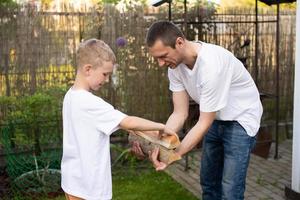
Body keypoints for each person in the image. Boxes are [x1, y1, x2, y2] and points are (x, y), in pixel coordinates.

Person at [142, 20, 263, 200]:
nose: (160, 63)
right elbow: (179, 113)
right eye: (157, 58)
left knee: (230, 190)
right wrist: (161, 145)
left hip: (241, 120)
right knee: (209, 183)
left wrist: (172, 155)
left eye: (163, 56)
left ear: (180, 43)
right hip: (216, 119)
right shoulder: (174, 66)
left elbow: (204, 122)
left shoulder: (212, 65)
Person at [61, 38, 175, 200]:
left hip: (73, 183)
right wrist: (161, 127)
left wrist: (149, 138)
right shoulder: (90, 103)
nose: (106, 80)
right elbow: (127, 121)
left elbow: (124, 126)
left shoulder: (71, 96)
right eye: (105, 74)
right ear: (88, 69)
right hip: (89, 188)